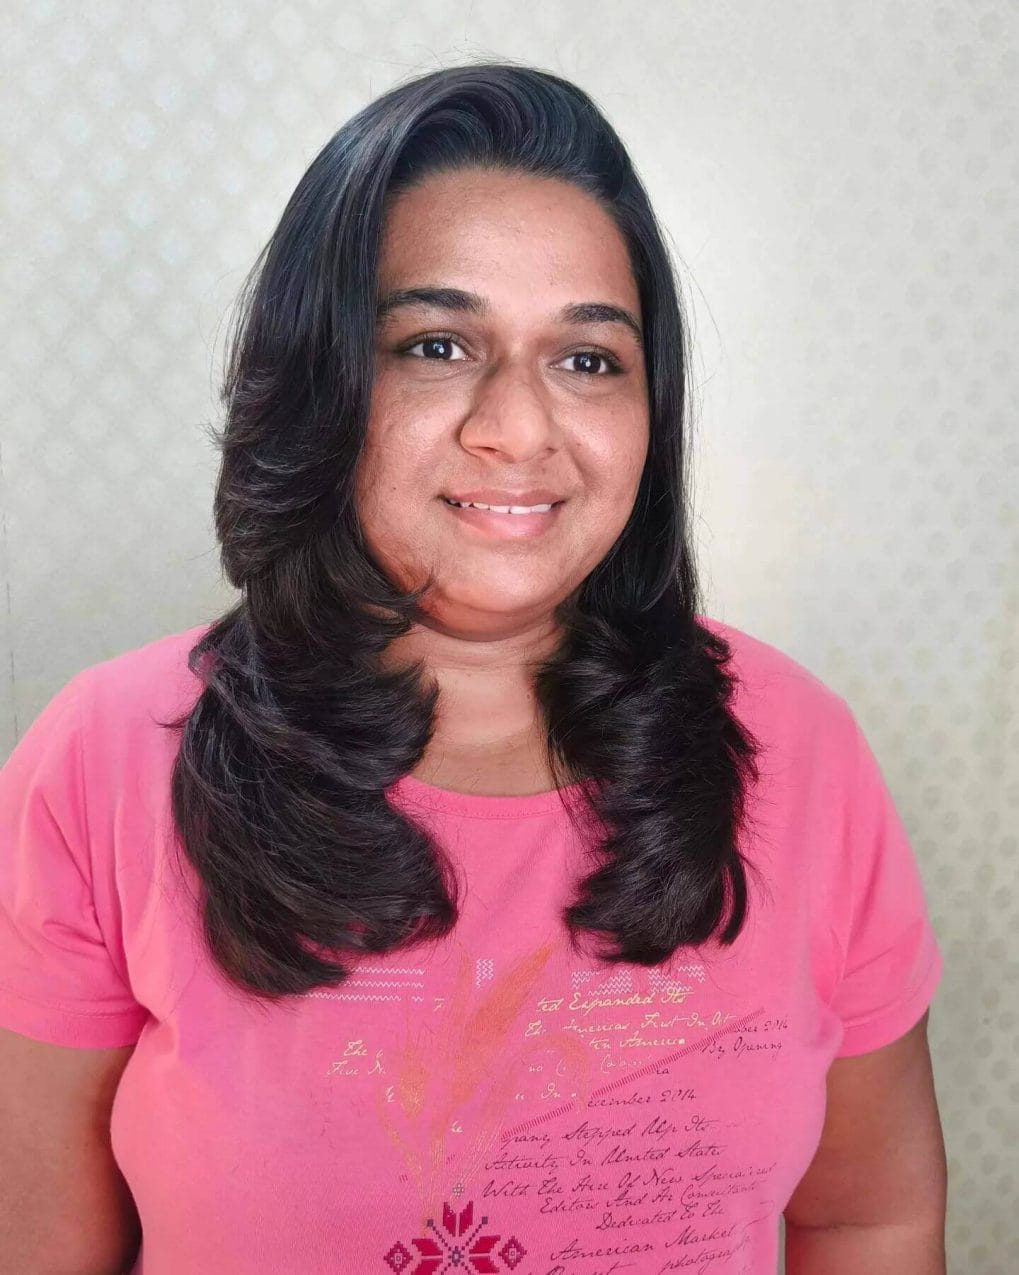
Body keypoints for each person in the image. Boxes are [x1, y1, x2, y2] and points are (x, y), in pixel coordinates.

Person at [0, 61, 946, 1274]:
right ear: (325, 379)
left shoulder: (797, 750)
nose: (518, 427)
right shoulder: (108, 759)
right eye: (438, 343)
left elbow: (866, 1217)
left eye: (588, 359)